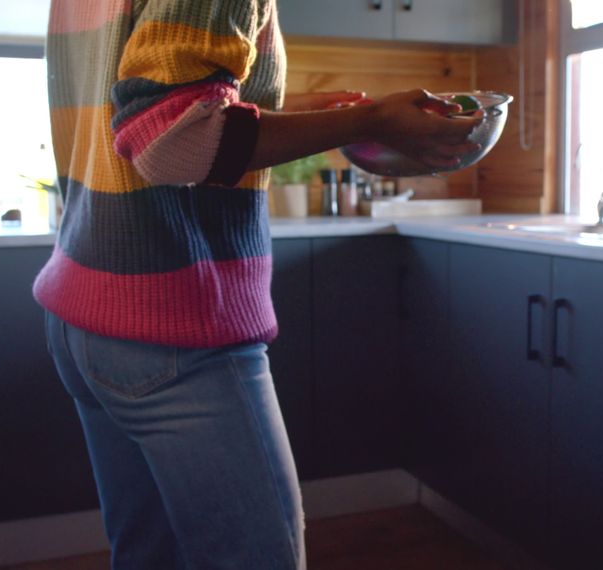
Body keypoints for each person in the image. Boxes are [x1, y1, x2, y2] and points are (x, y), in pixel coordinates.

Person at [35, 1, 482, 568]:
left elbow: (142, 110)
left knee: (149, 558)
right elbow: (171, 143)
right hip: (174, 324)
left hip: (86, 312)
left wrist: (291, 112)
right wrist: (371, 122)